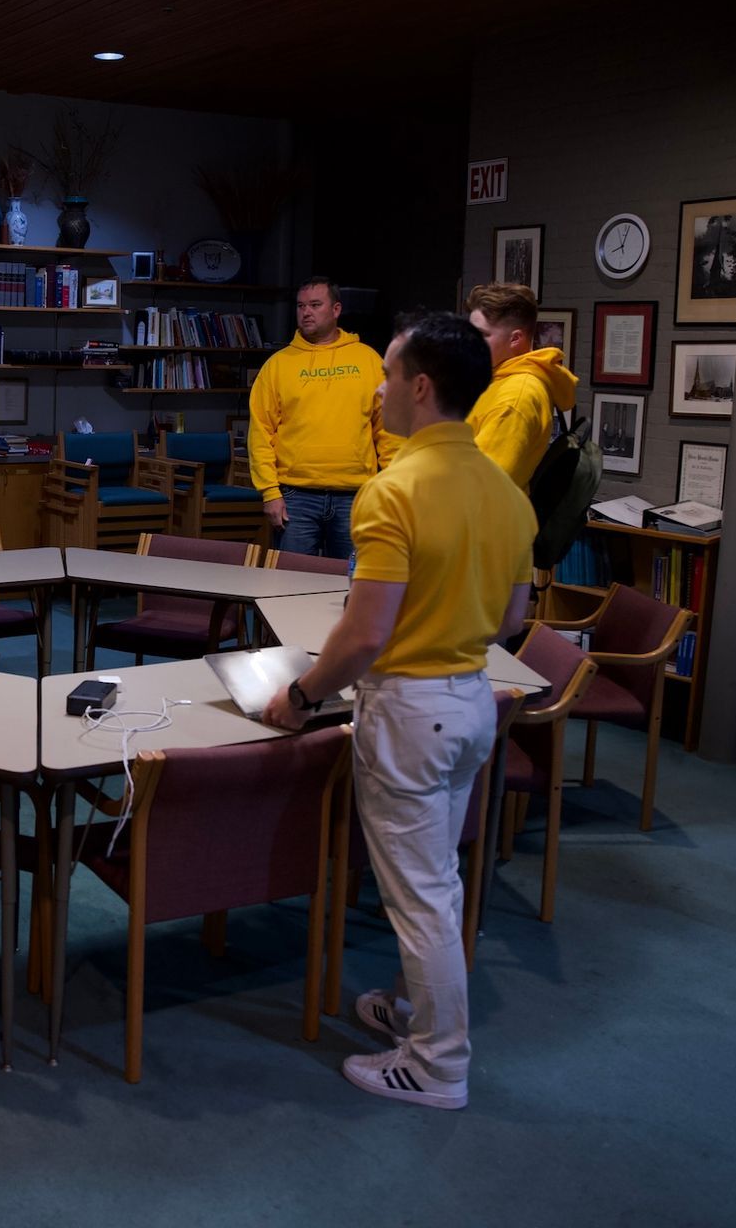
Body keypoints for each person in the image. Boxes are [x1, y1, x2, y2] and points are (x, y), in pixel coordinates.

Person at [264, 311, 535, 1109]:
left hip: (411, 712)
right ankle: (419, 1010)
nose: (375, 389)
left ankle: (437, 1062)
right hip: (473, 703)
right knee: (438, 882)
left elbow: (365, 633)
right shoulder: (505, 493)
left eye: (385, 374)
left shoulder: (393, 492)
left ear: (420, 388)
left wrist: (304, 694)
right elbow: (512, 619)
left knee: (417, 898)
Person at [247, 277, 399, 559]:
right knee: (289, 584)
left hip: (356, 495)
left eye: (315, 305)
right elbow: (260, 433)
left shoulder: (369, 360)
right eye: (301, 306)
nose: (306, 312)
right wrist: (269, 492)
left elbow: (388, 431)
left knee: (353, 583)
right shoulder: (278, 365)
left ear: (336, 309)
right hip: (296, 497)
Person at [464, 282, 580, 487]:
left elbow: (479, 486)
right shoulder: (502, 379)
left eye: (481, 335)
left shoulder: (516, 397)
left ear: (515, 339)